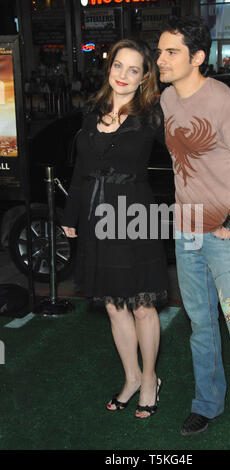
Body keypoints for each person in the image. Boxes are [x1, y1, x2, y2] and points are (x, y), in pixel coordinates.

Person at [156, 16, 230, 450]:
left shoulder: (224, 101)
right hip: (186, 234)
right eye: (159, 51)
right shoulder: (168, 99)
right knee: (201, 325)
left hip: (226, 238)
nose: (161, 59)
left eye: (171, 52)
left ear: (198, 57)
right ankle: (207, 403)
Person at [62, 38, 168, 419]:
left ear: (144, 78)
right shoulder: (93, 112)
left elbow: (188, 153)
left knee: (141, 306)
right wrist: (70, 216)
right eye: (118, 66)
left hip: (135, 216)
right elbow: (79, 170)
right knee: (113, 305)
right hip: (95, 216)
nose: (123, 75)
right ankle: (132, 377)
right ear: (109, 69)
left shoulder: (153, 115)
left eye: (133, 69)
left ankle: (151, 377)